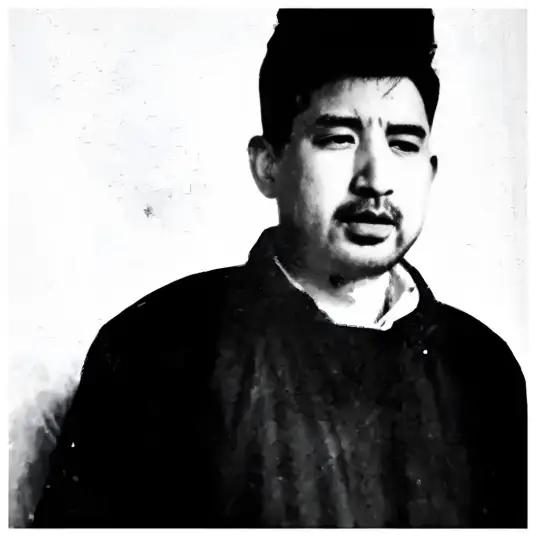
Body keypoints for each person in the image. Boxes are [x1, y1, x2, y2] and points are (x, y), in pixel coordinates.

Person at [32, 8, 526, 528]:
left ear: (430, 172)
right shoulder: (155, 347)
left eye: (404, 144)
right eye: (339, 138)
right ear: (268, 165)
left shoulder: (482, 370)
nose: (377, 179)